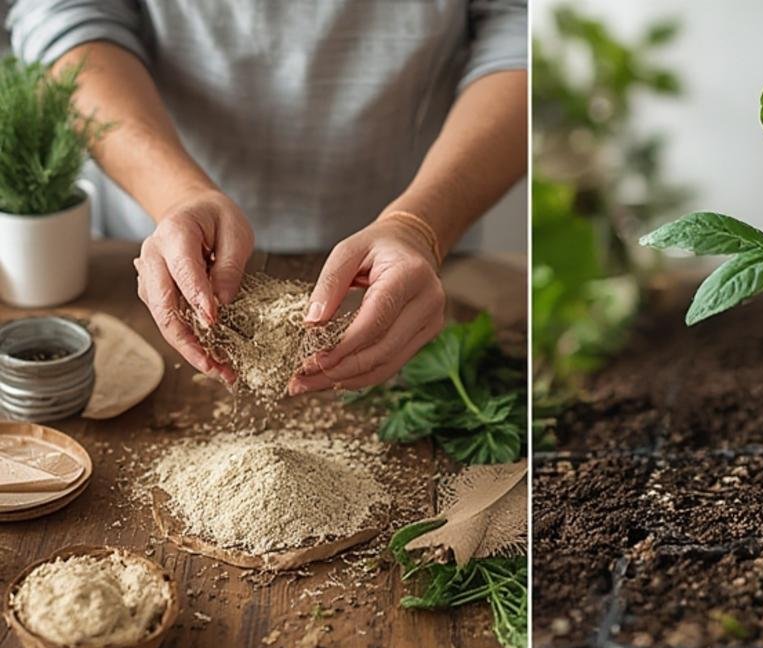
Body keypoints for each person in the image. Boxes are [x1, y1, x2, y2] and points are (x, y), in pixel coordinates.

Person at [7, 2, 527, 394]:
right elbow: (66, 14)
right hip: (159, 247)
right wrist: (177, 194)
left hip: (410, 261)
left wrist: (419, 224)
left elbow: (522, 29)